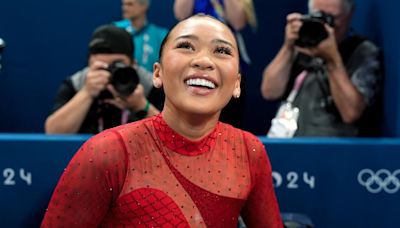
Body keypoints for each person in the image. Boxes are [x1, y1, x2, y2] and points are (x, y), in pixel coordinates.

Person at [41, 14, 283, 227]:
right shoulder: (106, 152)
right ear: (157, 73)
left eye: (221, 51)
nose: (203, 61)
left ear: (237, 83)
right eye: (186, 46)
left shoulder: (249, 152)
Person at [261, 0, 382, 137]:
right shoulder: (304, 43)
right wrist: (288, 47)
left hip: (329, 149)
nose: (326, 25)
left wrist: (332, 60)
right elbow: (269, 91)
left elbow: (351, 113)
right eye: (319, 16)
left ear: (350, 14)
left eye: (334, 18)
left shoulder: (363, 52)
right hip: (290, 142)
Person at [45, 25, 163, 134]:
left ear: (134, 64)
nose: (109, 73)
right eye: (101, 66)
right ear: (89, 65)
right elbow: (53, 134)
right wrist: (87, 93)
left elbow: (174, 136)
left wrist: (142, 105)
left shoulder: (150, 84)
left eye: (117, 65)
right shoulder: (77, 83)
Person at [173, 0, 257, 128]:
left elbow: (238, 22)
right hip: (194, 60)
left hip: (224, 62)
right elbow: (180, 14)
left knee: (228, 125)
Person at [114, 0, 168, 73]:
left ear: (144, 7)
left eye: (130, 4)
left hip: (151, 82)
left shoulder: (161, 35)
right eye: (123, 4)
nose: (124, 8)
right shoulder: (115, 30)